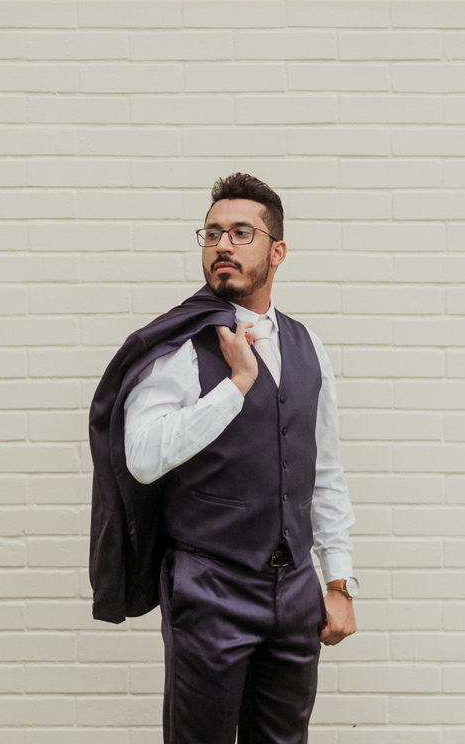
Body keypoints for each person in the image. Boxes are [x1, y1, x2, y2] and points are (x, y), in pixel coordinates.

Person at [88, 172, 357, 744]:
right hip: (209, 588)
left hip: (295, 592)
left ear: (277, 252)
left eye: (241, 232)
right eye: (212, 233)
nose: (223, 245)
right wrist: (235, 387)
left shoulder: (309, 347)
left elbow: (324, 473)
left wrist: (337, 581)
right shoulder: (179, 346)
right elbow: (141, 457)